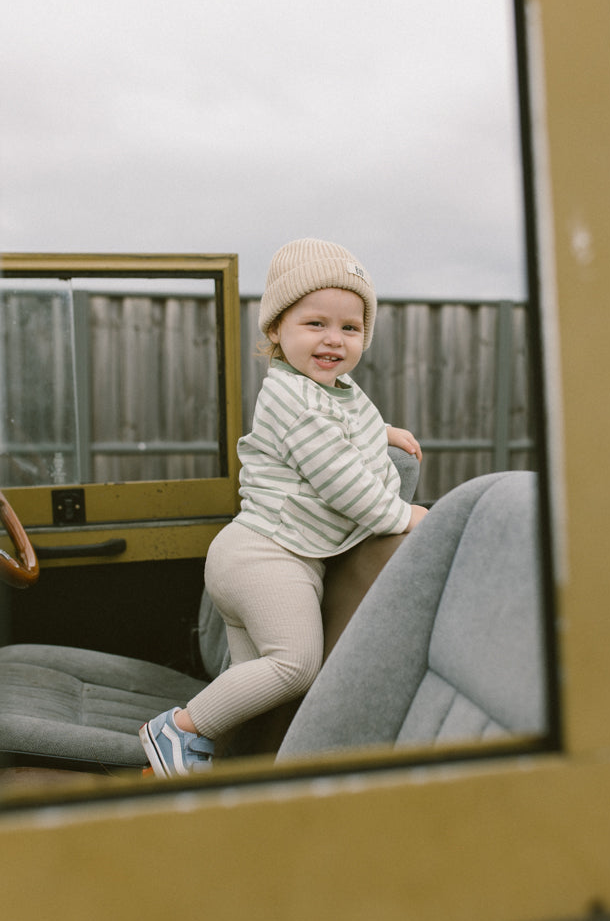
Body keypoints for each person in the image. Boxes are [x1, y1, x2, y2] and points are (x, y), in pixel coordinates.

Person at [140, 238, 428, 777]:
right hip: (266, 557)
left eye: (350, 327)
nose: (334, 340)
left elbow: (347, 428)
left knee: (256, 695)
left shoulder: (338, 390)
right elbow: (340, 479)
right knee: (295, 666)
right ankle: (176, 730)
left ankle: (210, 765)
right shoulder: (288, 396)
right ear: (276, 330)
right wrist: (402, 515)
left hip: (265, 556)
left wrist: (383, 430)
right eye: (315, 324)